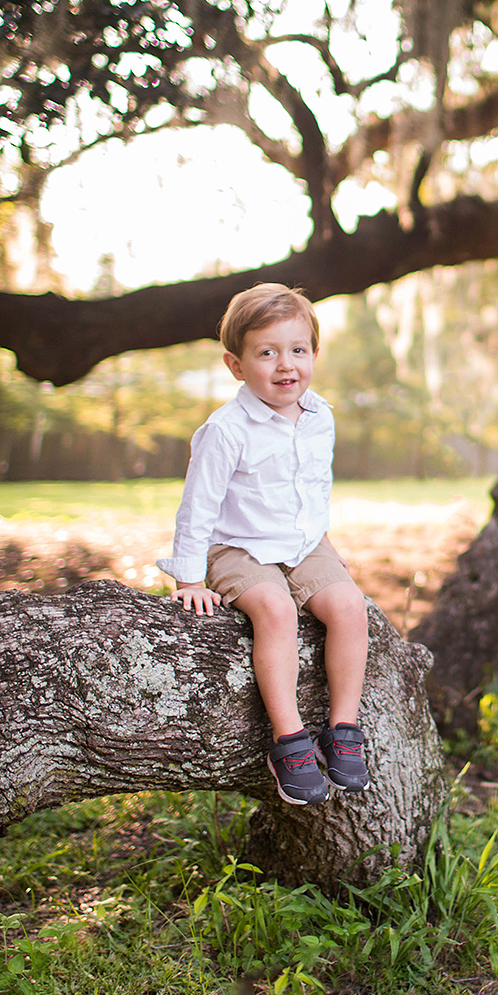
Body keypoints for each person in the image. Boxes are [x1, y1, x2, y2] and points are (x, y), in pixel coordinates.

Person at [156, 283, 371, 807]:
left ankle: (343, 727)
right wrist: (189, 578)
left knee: (349, 605)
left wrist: (325, 551)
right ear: (236, 364)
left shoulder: (321, 417)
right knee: (275, 609)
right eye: (266, 352)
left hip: (303, 544)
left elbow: (312, 488)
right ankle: (290, 740)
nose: (285, 365)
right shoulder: (226, 430)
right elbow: (197, 506)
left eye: (297, 350)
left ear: (314, 354)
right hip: (238, 548)